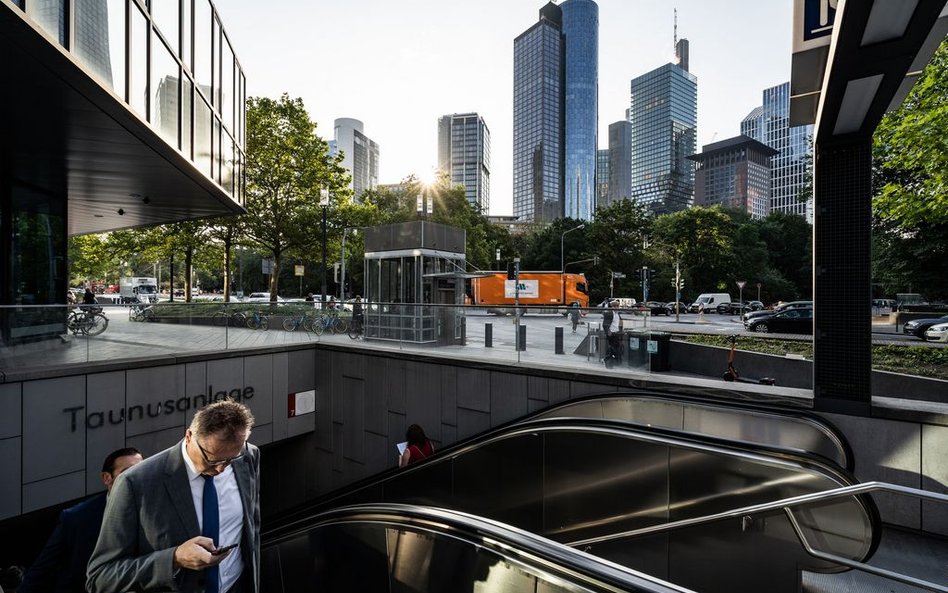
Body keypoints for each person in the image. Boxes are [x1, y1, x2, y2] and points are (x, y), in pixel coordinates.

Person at [87, 400, 260, 593]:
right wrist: (174, 559)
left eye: (231, 458)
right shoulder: (135, 483)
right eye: (212, 459)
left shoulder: (248, 456)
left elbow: (252, 528)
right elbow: (100, 577)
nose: (221, 468)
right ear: (189, 436)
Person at [18, 447, 143, 593]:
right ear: (106, 478)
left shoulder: (155, 506)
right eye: (127, 472)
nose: (137, 477)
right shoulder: (77, 518)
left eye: (141, 470)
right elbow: (43, 569)